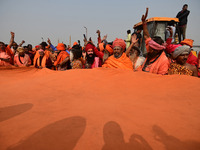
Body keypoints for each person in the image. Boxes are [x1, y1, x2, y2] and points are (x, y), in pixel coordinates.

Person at [138, 8, 169, 75]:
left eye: (152, 49)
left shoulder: (164, 61)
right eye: (149, 47)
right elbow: (146, 36)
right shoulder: (151, 49)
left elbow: (161, 79)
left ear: (157, 50)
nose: (149, 50)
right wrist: (144, 23)